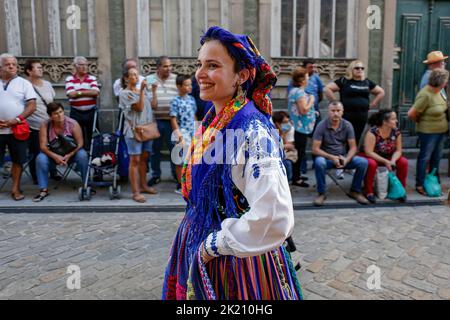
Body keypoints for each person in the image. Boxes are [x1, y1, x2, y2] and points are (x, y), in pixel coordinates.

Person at [162, 26, 302, 300]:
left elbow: (275, 217)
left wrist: (213, 245)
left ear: (242, 75)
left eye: (212, 65)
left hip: (234, 262)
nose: (200, 74)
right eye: (199, 64)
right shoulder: (214, 116)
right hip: (199, 239)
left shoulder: (252, 131)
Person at [312, 101, 369, 207]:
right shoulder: (321, 126)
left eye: (338, 111)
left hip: (343, 158)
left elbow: (353, 148)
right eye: (333, 111)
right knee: (319, 162)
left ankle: (355, 191)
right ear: (328, 112)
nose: (335, 114)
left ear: (342, 112)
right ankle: (321, 193)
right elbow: (315, 149)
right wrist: (332, 157)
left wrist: (346, 159)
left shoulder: (347, 125)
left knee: (362, 162)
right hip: (327, 158)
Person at [33, 102, 88, 202]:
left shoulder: (73, 123)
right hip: (53, 155)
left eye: (61, 112)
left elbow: (80, 143)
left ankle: (86, 184)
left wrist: (69, 155)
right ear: (50, 116)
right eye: (56, 114)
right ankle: (43, 189)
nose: (59, 115)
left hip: (71, 154)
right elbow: (43, 146)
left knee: (83, 155)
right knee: (40, 158)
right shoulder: (45, 125)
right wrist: (55, 157)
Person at [0, 53, 37, 201]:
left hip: (17, 129)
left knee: (18, 160)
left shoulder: (24, 83)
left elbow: (32, 105)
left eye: (14, 64)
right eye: (7, 64)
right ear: (0, 66)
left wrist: (15, 120)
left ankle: (15, 188)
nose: (11, 66)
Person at [408, 69, 449, 196]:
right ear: (441, 82)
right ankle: (420, 184)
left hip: (441, 131)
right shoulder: (426, 94)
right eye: (446, 80)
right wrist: (421, 122)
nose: (447, 82)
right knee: (425, 158)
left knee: (436, 158)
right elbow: (412, 114)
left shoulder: (441, 91)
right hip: (428, 132)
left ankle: (433, 181)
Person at [119, 67, 157, 203]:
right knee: (134, 161)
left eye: (137, 74)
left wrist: (153, 90)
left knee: (144, 159)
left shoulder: (144, 92)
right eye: (132, 75)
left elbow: (153, 105)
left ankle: (144, 186)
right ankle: (135, 192)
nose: (135, 77)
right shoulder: (124, 94)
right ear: (126, 78)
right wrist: (141, 90)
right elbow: (139, 108)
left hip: (147, 129)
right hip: (133, 131)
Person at [325, 60, 385, 144]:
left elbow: (381, 92)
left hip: (361, 115)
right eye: (357, 68)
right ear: (351, 69)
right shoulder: (344, 81)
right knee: (344, 136)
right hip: (347, 114)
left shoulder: (367, 82)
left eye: (362, 68)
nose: (360, 70)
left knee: (356, 137)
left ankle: (352, 155)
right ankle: (341, 154)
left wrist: (373, 103)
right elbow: (328, 89)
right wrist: (336, 104)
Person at [24, 59, 61, 185]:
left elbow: (52, 102)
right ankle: (36, 176)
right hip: (33, 125)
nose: (41, 70)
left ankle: (53, 171)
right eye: (37, 68)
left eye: (41, 67)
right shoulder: (24, 85)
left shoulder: (47, 84)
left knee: (53, 147)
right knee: (36, 150)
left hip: (50, 124)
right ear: (29, 71)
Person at [360, 110, 408, 203]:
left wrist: (393, 160)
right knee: (372, 164)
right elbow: (369, 152)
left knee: (403, 162)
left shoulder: (396, 132)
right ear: (385, 121)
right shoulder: (373, 132)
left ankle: (400, 190)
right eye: (393, 119)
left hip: (388, 156)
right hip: (371, 156)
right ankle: (369, 191)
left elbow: (398, 150)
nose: (396, 121)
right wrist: (386, 161)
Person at [147, 56, 178, 187]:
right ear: (158, 67)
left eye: (170, 66)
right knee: (155, 149)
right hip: (156, 120)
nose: (169, 68)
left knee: (174, 149)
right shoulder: (150, 79)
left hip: (173, 122)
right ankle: (156, 175)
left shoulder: (176, 79)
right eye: (165, 66)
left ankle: (176, 175)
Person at [288, 67, 317, 187]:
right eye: (306, 76)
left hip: (300, 127)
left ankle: (297, 175)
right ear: (302, 80)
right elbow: (303, 110)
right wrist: (312, 100)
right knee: (299, 153)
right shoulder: (299, 92)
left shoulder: (294, 91)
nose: (308, 78)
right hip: (300, 128)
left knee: (300, 152)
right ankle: (296, 179)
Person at [65, 56, 100, 150]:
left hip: (91, 112)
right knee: (77, 136)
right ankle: (80, 156)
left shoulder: (92, 78)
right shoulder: (69, 79)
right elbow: (71, 94)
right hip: (76, 112)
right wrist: (87, 92)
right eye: (81, 65)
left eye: (86, 65)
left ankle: (93, 156)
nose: (84, 67)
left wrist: (78, 92)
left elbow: (95, 92)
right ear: (76, 66)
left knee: (93, 136)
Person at [170, 74, 197, 194]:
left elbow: (194, 116)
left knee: (191, 160)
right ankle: (180, 185)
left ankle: (189, 183)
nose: (190, 87)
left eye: (190, 84)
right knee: (180, 161)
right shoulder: (175, 101)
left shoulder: (191, 99)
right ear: (179, 86)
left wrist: (198, 131)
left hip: (192, 132)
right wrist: (179, 136)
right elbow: (173, 119)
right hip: (182, 132)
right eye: (186, 85)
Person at [272, 111, 297, 183]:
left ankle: (287, 183)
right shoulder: (272, 129)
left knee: (288, 164)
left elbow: (290, 146)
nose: (287, 124)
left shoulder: (290, 128)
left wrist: (284, 133)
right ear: (277, 123)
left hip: (286, 154)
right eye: (285, 122)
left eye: (288, 121)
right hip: (274, 155)